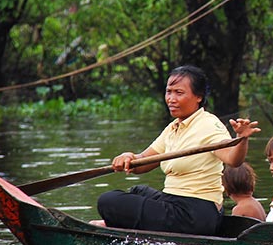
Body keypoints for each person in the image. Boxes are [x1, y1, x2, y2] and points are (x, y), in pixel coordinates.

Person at [94, 65, 260, 235]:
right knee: (138, 190)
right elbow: (142, 162)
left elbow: (233, 159)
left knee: (107, 201)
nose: (171, 99)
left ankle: (112, 224)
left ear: (198, 97)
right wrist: (128, 157)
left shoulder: (209, 125)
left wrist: (242, 139)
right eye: (169, 92)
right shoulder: (173, 127)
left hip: (195, 214)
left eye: (179, 93)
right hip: (174, 203)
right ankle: (116, 223)